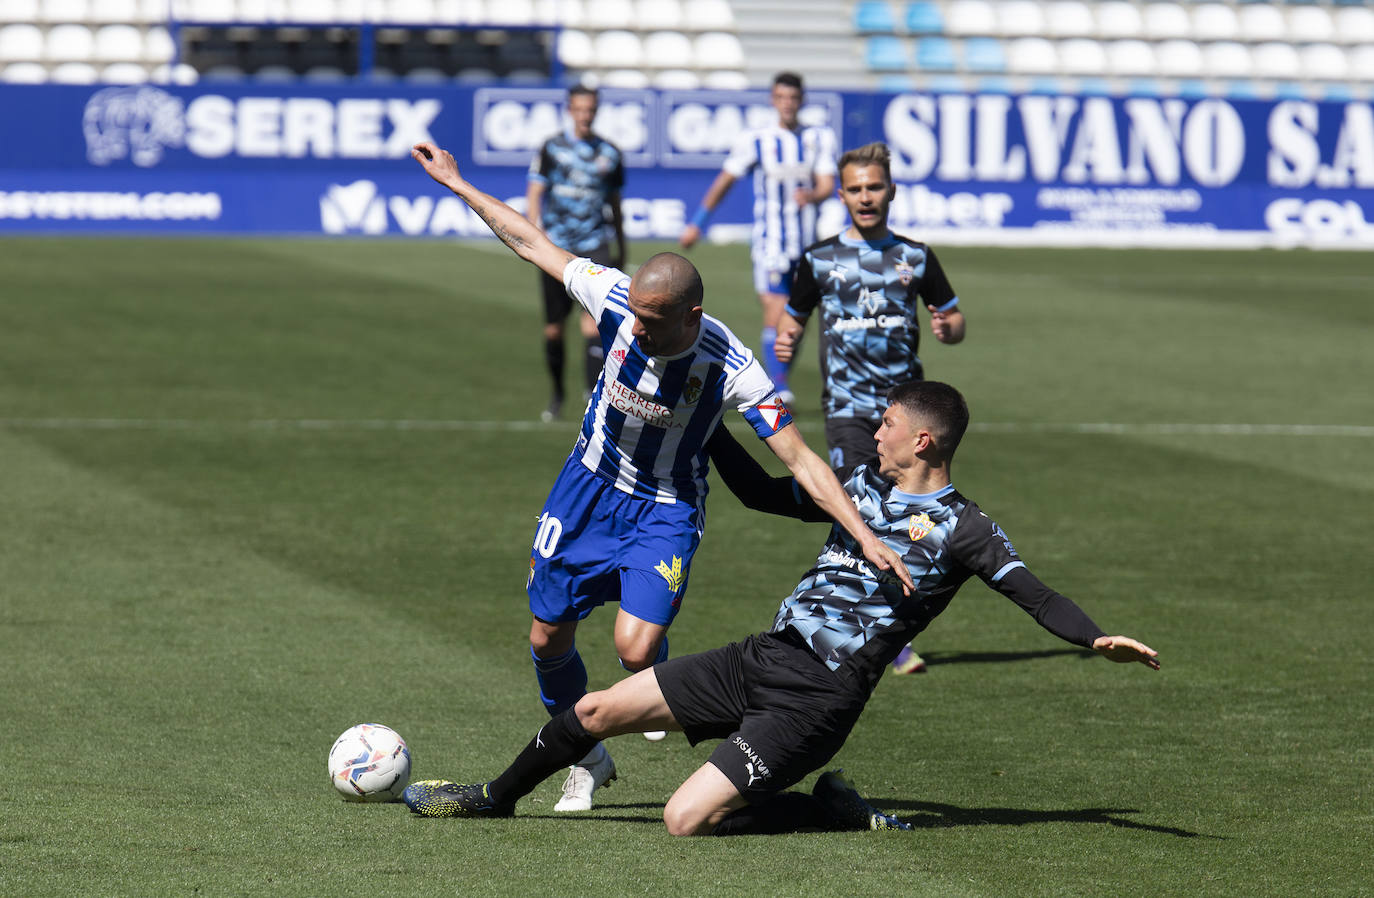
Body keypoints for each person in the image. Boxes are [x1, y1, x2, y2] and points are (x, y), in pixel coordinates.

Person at [402, 380, 1160, 836]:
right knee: (597, 710)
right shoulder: (859, 488)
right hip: (761, 656)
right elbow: (765, 493)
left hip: (817, 700)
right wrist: (707, 430)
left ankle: (825, 808)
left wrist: (1094, 639)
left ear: (923, 438)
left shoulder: (966, 529)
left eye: (890, 422)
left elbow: (1035, 593)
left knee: (684, 820)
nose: (877, 428)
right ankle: (491, 800)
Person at [410, 140, 913, 814]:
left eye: (653, 323)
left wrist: (865, 535)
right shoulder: (615, 296)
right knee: (545, 637)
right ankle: (587, 757)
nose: (634, 331)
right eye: (635, 318)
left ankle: (650, 679)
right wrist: (457, 181)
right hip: (585, 490)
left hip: (665, 508)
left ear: (692, 316)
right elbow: (531, 241)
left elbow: (799, 459)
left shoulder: (731, 363)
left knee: (634, 648)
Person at [775, 141, 967, 675]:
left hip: (909, 415)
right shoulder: (817, 259)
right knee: (857, 507)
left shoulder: (916, 257)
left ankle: (879, 621)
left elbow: (952, 318)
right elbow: (793, 318)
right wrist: (786, 343)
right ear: (841, 195)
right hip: (848, 408)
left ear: (891, 191)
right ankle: (858, 625)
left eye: (874, 187)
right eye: (856, 189)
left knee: (905, 515)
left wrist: (949, 329)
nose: (866, 197)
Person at [679, 71, 837, 403]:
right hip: (771, 242)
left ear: (801, 100)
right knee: (775, 309)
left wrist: (813, 195)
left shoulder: (818, 137)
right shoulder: (757, 139)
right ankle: (778, 387)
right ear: (773, 100)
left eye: (793, 98)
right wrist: (698, 222)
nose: (788, 105)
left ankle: (779, 375)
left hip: (807, 243)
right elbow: (727, 179)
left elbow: (826, 183)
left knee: (797, 319)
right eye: (782, 98)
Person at [525, 85, 627, 423]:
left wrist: (621, 244)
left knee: (593, 325)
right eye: (580, 109)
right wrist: (532, 233)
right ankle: (557, 394)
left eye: (591, 110)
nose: (585, 115)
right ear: (570, 109)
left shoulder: (610, 153)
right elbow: (536, 191)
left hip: (594, 243)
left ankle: (591, 397)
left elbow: (615, 202)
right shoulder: (552, 148)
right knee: (554, 329)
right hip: (556, 246)